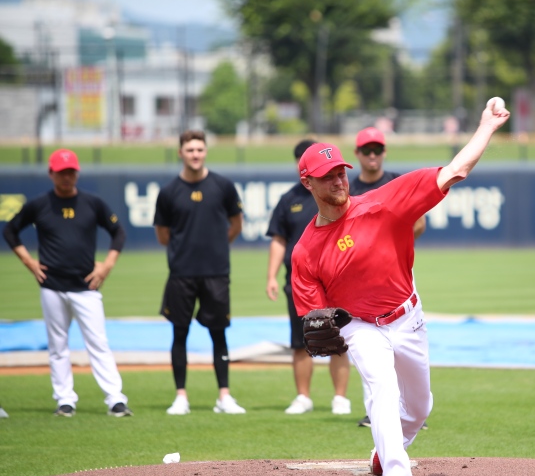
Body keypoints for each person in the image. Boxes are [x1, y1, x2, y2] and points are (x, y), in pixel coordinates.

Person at [291, 103, 510, 476]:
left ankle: (385, 450)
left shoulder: (386, 202)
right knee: (382, 396)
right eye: (327, 176)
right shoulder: (305, 252)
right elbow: (315, 318)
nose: (339, 179)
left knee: (421, 407)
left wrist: (486, 126)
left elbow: (454, 171)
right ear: (308, 183)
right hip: (359, 326)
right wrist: (320, 326)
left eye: (341, 171)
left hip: (408, 317)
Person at [3, 149, 132, 417]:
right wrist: (30, 263)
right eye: (61, 172)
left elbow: (118, 231)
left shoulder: (92, 203)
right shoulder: (39, 205)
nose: (67, 176)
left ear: (77, 173)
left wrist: (106, 265)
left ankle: (115, 399)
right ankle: (65, 399)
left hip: (87, 286)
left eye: (71, 171)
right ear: (51, 173)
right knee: (58, 346)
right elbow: (10, 230)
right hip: (52, 285)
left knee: (98, 343)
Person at [154, 130, 246, 415]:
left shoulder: (223, 186)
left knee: (219, 333)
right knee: (179, 333)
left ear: (206, 151)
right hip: (181, 273)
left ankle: (224, 396)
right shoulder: (169, 192)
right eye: (190, 150)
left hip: (216, 272)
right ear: (181, 152)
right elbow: (163, 234)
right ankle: (181, 396)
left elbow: (236, 225)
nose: (195, 154)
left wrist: (215, 248)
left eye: (199, 149)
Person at [266, 139, 351, 415]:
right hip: (300, 281)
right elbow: (279, 240)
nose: (334, 179)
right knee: (301, 340)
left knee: (340, 339)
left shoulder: (339, 193)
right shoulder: (288, 199)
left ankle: (340, 397)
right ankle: (303, 396)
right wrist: (271, 276)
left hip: (337, 279)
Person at [350, 126, 426, 429]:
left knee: (405, 349)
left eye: (377, 149)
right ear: (357, 153)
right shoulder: (348, 187)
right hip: (359, 282)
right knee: (369, 351)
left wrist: (390, 236)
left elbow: (419, 222)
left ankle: (408, 413)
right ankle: (376, 413)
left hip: (397, 275)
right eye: (366, 150)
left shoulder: (396, 182)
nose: (372, 155)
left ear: (384, 151)